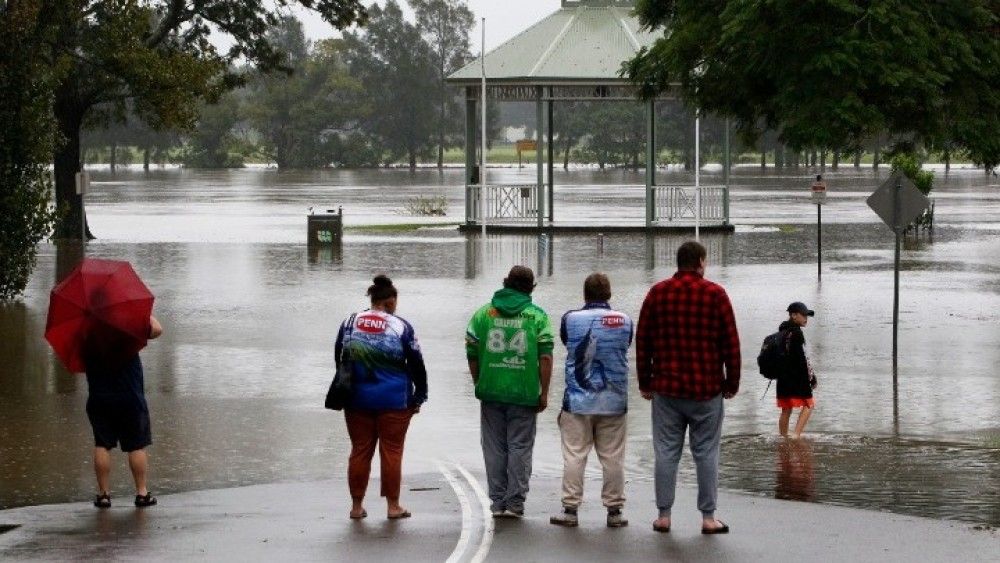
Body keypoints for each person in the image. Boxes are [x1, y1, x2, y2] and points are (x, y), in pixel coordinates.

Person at [636, 240, 741, 535]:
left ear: (678, 262)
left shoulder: (657, 294)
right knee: (706, 452)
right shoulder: (716, 295)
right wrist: (731, 383)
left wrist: (646, 382)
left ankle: (664, 515)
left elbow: (643, 341)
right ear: (701, 262)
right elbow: (730, 344)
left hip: (667, 389)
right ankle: (708, 517)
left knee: (666, 451)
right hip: (706, 388)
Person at [336, 275, 427, 520]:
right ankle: (393, 506)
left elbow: (339, 357)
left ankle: (356, 507)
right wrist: (420, 395)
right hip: (394, 399)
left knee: (360, 450)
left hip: (356, 399)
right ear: (390, 302)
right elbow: (417, 363)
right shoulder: (401, 326)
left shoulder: (350, 322)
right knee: (392, 451)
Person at [466, 265, 554, 518]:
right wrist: (544, 391)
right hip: (524, 392)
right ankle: (515, 502)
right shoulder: (537, 316)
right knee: (520, 447)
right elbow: (546, 357)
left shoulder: (483, 314)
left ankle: (496, 501)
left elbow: (472, 352)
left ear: (505, 282)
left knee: (494, 447)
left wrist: (479, 382)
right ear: (531, 288)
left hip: (491, 390)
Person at [550, 273, 633, 528]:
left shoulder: (570, 318)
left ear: (585, 294)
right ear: (609, 294)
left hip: (577, 402)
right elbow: (626, 345)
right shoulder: (625, 320)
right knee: (613, 457)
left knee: (574, 456)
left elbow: (567, 343)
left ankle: (570, 510)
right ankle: (615, 511)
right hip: (614, 402)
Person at [84, 315, 163, 509]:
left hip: (99, 396)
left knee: (102, 444)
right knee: (136, 445)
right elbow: (157, 329)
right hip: (129, 395)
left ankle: (103, 495)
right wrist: (144, 314)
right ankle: (142, 493)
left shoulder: (87, 330)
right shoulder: (128, 323)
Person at [777, 302, 817, 439]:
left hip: (782, 378)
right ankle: (795, 436)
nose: (806, 318)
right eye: (804, 315)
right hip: (797, 378)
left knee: (786, 409)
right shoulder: (797, 333)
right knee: (809, 405)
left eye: (807, 315)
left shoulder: (782, 331)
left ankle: (783, 437)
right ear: (794, 315)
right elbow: (803, 359)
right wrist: (812, 378)